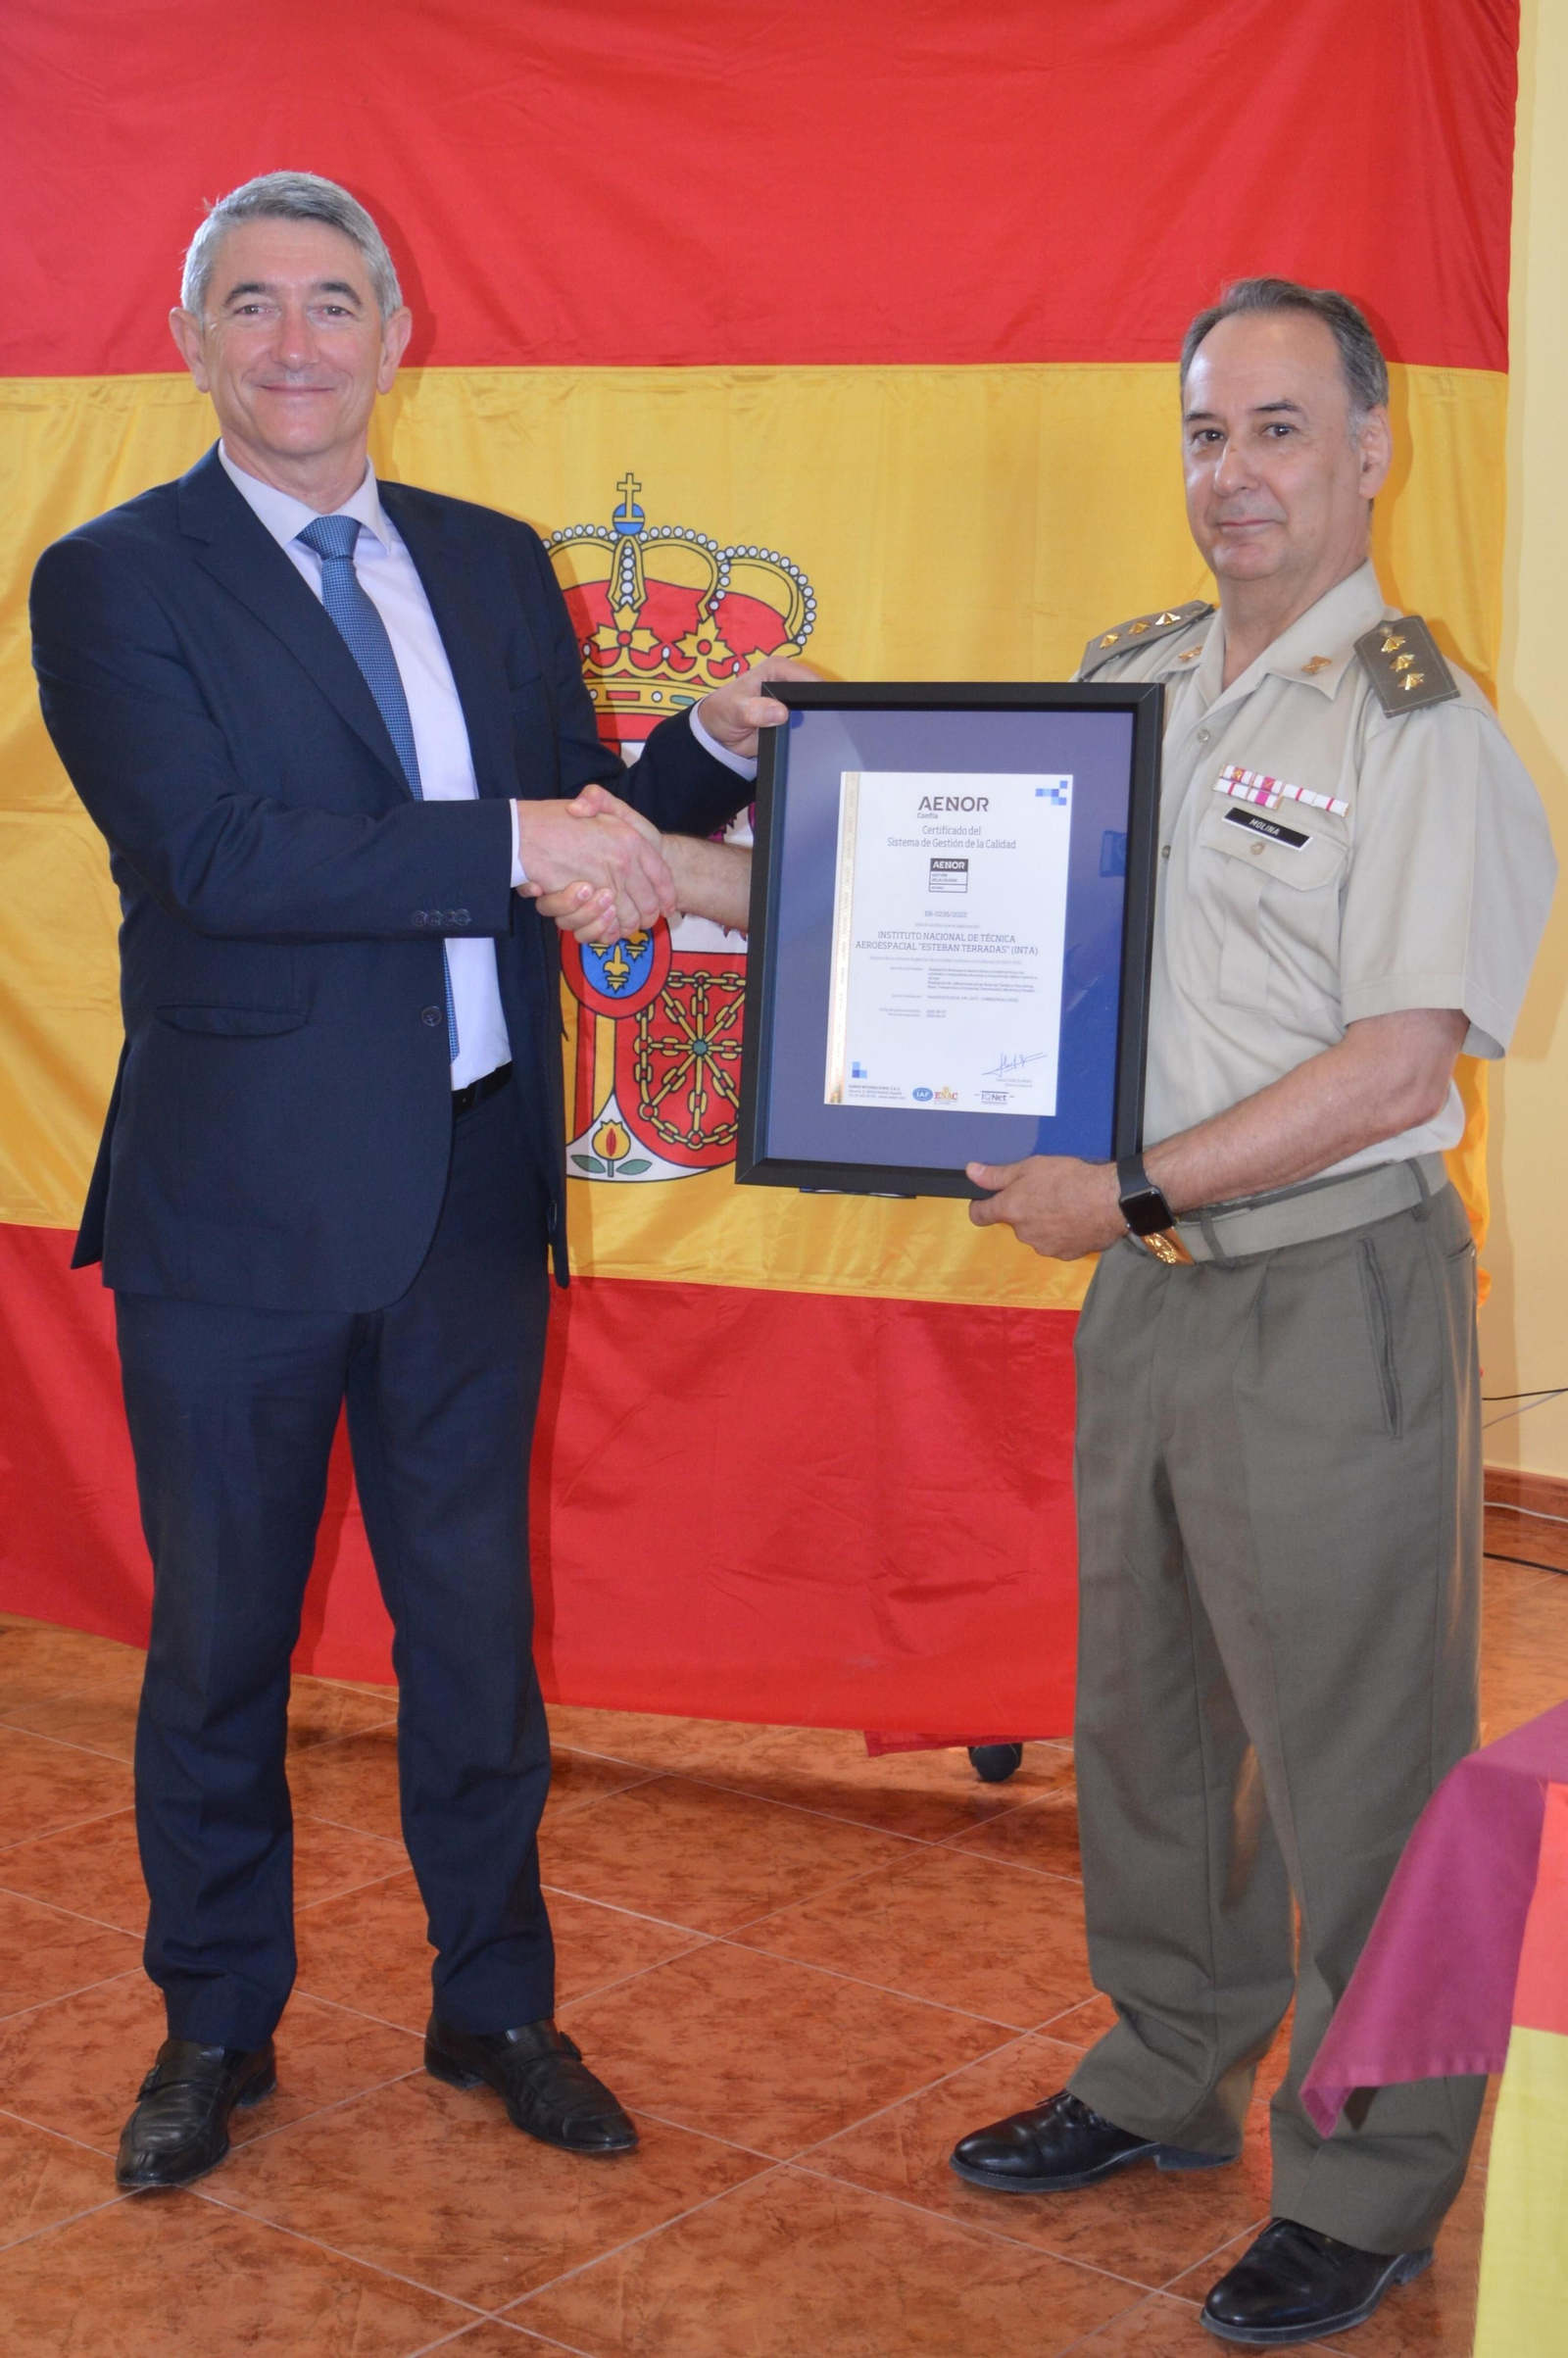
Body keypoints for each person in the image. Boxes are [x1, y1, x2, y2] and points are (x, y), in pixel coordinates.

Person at [28, 170, 799, 2191]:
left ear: (396, 335)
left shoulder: (483, 559)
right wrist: (526, 838)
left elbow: (586, 826)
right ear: (195, 342)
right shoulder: (113, 577)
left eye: (335, 302)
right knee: (220, 1647)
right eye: (255, 305)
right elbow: (223, 860)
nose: (298, 341)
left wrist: (703, 754)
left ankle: (497, 2002)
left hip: (467, 1194)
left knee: (473, 1633)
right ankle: (213, 2024)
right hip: (239, 1220)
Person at [946, 280, 1555, 2346]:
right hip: (1152, 1297)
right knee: (1148, 1724)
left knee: (1356, 1766)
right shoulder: (1133, 683)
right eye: (1207, 432)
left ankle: (1371, 2175)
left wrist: (1118, 1191)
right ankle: (1157, 2070)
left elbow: (1395, 1070)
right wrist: (699, 858)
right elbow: (983, 904)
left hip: (1325, 1299)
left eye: (1280, 431)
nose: (1235, 476)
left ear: (1372, 449)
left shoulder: (1417, 730)